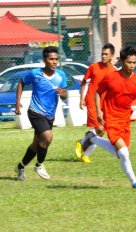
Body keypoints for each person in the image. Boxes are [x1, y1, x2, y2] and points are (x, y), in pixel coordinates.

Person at [91, 46, 136, 189]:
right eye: (129, 62)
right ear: (122, 61)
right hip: (111, 118)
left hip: (125, 120)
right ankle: (135, 182)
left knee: (121, 153)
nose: (132, 65)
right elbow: (98, 92)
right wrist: (99, 112)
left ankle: (92, 139)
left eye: (134, 62)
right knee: (123, 153)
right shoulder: (111, 77)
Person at [15, 46, 68, 181]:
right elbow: (21, 83)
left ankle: (20, 166)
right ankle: (39, 165)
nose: (55, 62)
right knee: (48, 137)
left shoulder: (61, 75)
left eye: (56, 59)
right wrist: (18, 102)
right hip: (35, 111)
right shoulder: (35, 73)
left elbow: (64, 95)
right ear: (45, 60)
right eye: (51, 59)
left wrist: (63, 94)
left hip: (50, 115)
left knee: (37, 144)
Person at [75, 43, 117, 162]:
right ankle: (82, 142)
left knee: (100, 132)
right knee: (100, 129)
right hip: (92, 101)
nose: (103, 56)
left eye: (106, 54)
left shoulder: (114, 72)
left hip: (104, 104)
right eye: (102, 54)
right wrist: (81, 98)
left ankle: (86, 154)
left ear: (111, 56)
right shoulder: (94, 67)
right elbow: (83, 82)